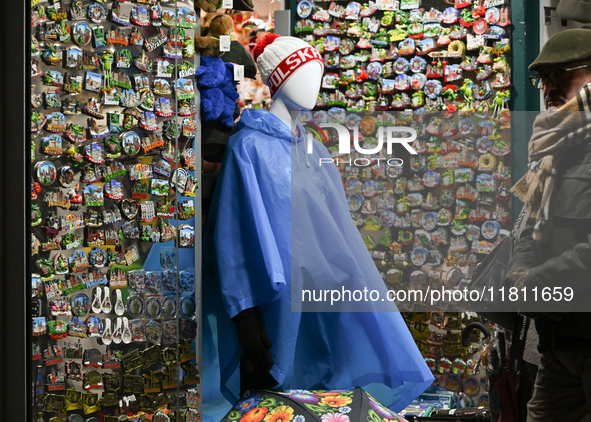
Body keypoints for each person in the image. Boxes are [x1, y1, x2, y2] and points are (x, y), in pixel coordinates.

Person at [202, 34, 433, 420]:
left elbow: (339, 231)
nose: (314, 83)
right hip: (275, 310)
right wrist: (245, 315)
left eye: (317, 73)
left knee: (326, 398)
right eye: (302, 73)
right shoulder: (249, 147)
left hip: (327, 304)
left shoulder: (314, 150)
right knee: (277, 404)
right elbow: (234, 236)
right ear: (278, 79)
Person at [507, 28, 591, 421]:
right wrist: (518, 273)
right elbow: (529, 224)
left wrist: (534, 280)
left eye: (562, 74)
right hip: (558, 344)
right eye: (543, 78)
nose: (548, 88)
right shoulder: (556, 147)